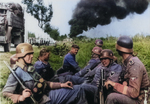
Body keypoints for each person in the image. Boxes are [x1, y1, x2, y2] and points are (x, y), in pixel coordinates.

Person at [2, 43, 98, 104]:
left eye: (32, 53)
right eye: (29, 54)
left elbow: (45, 83)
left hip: (46, 95)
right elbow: (5, 93)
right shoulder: (16, 73)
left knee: (76, 88)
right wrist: (20, 97)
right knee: (78, 91)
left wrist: (62, 84)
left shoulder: (30, 69)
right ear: (21, 56)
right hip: (42, 101)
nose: (32, 56)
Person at [104, 36, 150, 104]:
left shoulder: (134, 64)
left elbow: (134, 93)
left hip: (141, 100)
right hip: (138, 98)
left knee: (112, 98)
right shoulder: (128, 62)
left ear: (119, 49)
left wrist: (114, 84)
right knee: (112, 92)